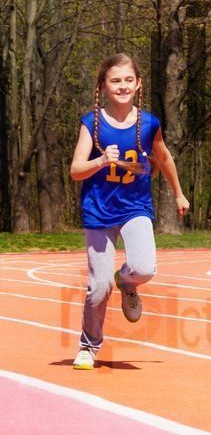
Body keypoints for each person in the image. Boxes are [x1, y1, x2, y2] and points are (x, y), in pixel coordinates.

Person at [69, 53, 190, 370]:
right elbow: (76, 170)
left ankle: (128, 282)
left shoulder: (149, 124)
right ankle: (89, 346)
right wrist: (100, 161)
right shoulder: (92, 124)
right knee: (99, 287)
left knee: (144, 268)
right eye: (115, 81)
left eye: (128, 80)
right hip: (98, 211)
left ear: (138, 84)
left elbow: (164, 159)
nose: (122, 86)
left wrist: (179, 194)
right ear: (103, 86)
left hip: (135, 208)